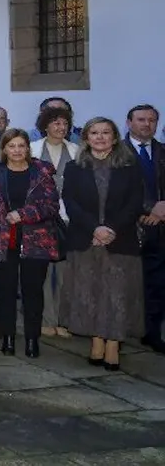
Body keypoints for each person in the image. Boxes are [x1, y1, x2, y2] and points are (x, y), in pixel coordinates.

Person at [62, 118, 145, 370]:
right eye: (94, 133)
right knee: (90, 293)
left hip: (120, 240)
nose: (100, 137)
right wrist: (94, 229)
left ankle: (112, 344)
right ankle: (96, 341)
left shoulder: (130, 166)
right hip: (86, 239)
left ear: (115, 136)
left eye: (105, 133)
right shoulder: (75, 167)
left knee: (116, 294)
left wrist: (111, 229)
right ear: (86, 138)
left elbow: (135, 202)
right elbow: (70, 201)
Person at [0, 128, 60, 358]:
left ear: (27, 148)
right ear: (4, 149)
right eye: (11, 146)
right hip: (3, 240)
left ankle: (31, 340)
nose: (16, 150)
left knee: (33, 294)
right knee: (5, 293)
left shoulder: (41, 171)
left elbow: (51, 206)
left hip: (36, 241)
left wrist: (23, 214)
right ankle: (7, 337)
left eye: (21, 146)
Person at [32, 104, 79, 338]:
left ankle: (62, 319)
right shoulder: (32, 150)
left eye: (65, 123)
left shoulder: (76, 151)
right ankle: (46, 319)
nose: (61, 127)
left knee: (64, 274)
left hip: (68, 219)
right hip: (40, 220)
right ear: (46, 126)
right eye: (56, 123)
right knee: (42, 273)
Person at [126, 105, 165, 352]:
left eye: (152, 120)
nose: (146, 124)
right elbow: (116, 189)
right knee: (127, 282)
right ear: (129, 123)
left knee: (157, 282)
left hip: (159, 227)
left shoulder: (162, 151)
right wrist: (148, 209)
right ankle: (125, 328)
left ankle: (151, 332)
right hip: (129, 225)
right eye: (141, 119)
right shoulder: (117, 152)